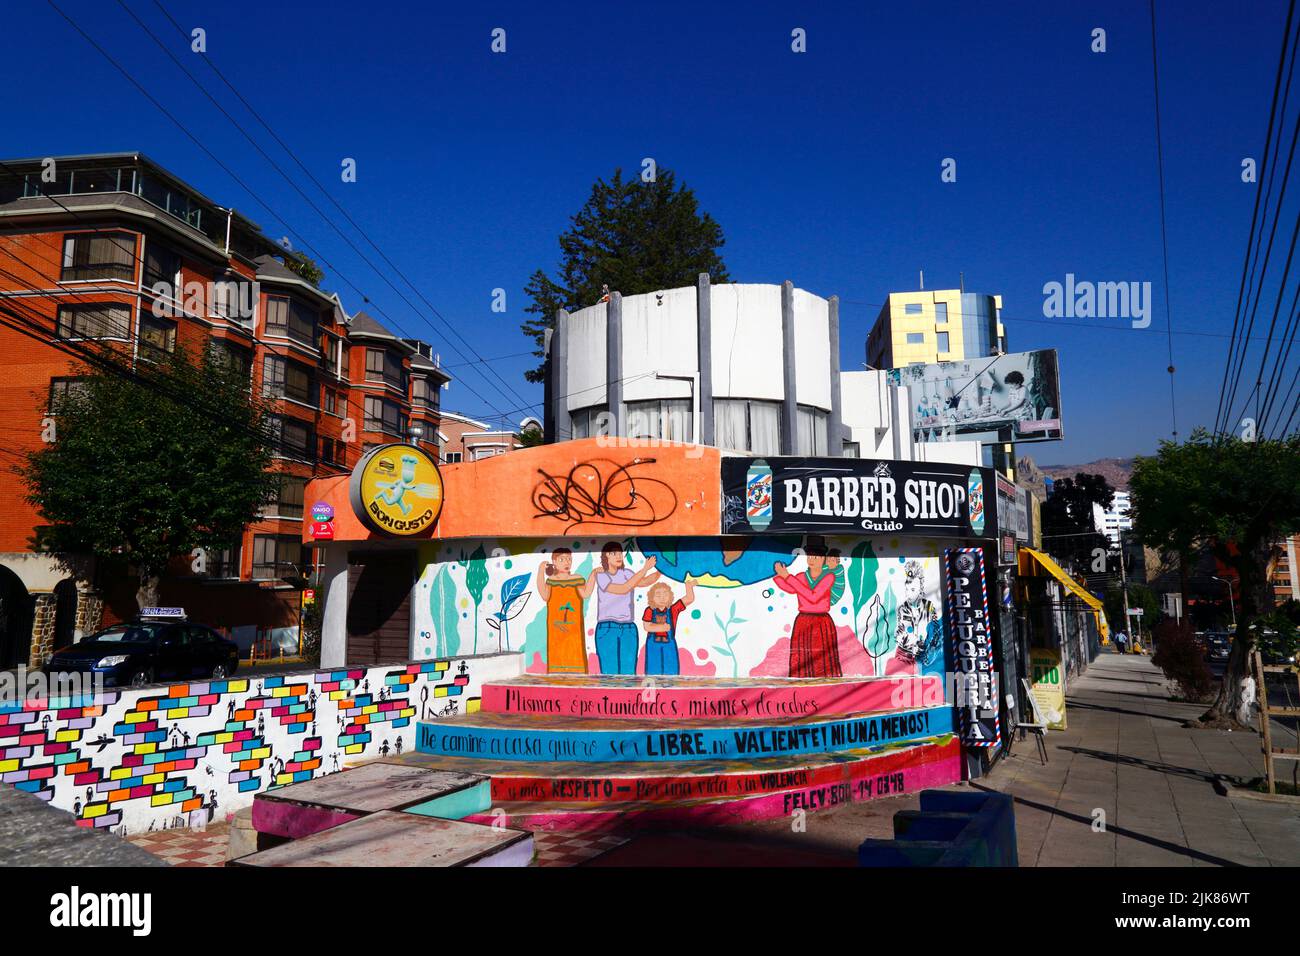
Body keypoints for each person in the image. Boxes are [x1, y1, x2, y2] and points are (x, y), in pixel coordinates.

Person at [772, 540, 842, 678]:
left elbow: (813, 596)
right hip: (803, 621)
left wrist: (787, 576)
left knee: (822, 659)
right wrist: (777, 576)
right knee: (802, 657)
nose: (811, 560)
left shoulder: (829, 577)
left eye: (815, 557)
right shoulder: (801, 576)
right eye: (809, 556)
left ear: (823, 559)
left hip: (821, 622)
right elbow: (791, 588)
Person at [589, 543, 658, 674]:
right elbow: (623, 589)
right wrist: (644, 569)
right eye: (613, 553)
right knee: (609, 674)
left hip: (628, 628)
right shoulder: (602, 575)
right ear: (606, 557)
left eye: (620, 553)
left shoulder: (627, 573)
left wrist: (662, 570)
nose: (618, 556)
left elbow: (644, 582)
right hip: (607, 628)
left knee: (629, 673)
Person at [535, 547, 593, 674]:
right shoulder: (551, 581)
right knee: (557, 653)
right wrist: (540, 571)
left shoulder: (577, 578)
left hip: (574, 628)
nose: (566, 562)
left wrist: (593, 575)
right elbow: (545, 596)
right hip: (555, 627)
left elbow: (586, 593)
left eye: (569, 559)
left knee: (575, 652)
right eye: (562, 559)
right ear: (554, 562)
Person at [642, 578, 696, 676]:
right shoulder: (649, 610)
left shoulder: (673, 609)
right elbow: (647, 626)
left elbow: (689, 598)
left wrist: (689, 587)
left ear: (670, 596)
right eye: (658, 595)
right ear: (652, 598)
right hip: (653, 646)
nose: (662, 598)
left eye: (665, 594)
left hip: (669, 645)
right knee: (652, 672)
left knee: (671, 672)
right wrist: (663, 627)